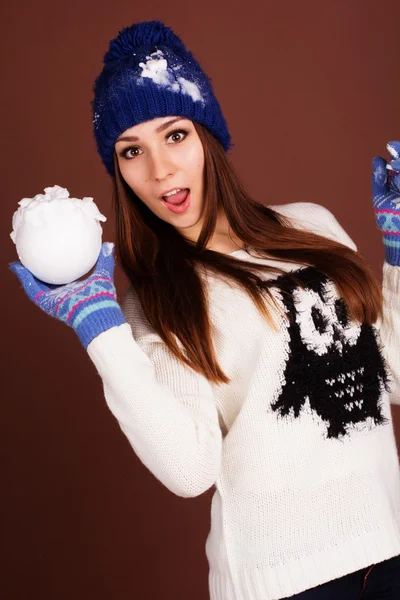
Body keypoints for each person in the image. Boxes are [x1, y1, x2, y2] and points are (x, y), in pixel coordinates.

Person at [10, 19, 400, 600]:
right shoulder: (162, 295)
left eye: (174, 135)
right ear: (116, 168)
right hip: (286, 582)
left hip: (389, 549)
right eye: (131, 151)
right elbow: (190, 471)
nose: (160, 170)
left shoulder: (312, 225)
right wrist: (100, 327)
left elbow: (390, 373)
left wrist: (397, 252)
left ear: (207, 137)